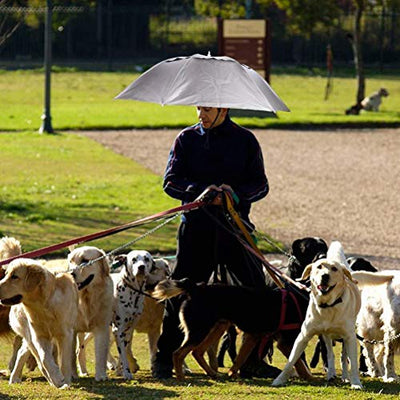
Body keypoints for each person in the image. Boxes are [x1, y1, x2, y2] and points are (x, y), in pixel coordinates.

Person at [152, 106, 272, 379]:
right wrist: (198, 191)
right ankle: (164, 358)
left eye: (206, 109)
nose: (200, 114)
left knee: (257, 290)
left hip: (235, 231)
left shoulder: (246, 140)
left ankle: (253, 359)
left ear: (223, 109)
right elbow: (170, 182)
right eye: (198, 108)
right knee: (179, 291)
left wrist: (235, 194)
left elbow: (261, 185)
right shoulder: (186, 139)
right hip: (196, 231)